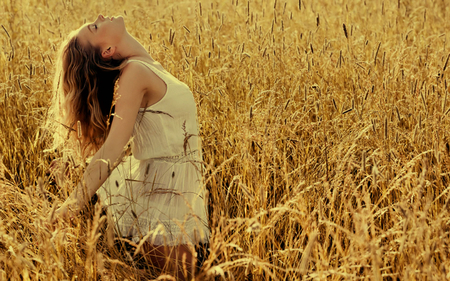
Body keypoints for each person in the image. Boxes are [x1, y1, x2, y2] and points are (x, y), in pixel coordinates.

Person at [47, 14, 210, 280]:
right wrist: (71, 204)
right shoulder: (134, 73)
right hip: (163, 200)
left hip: (175, 191)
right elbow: (113, 150)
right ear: (108, 50)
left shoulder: (145, 66)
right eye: (95, 27)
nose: (100, 16)